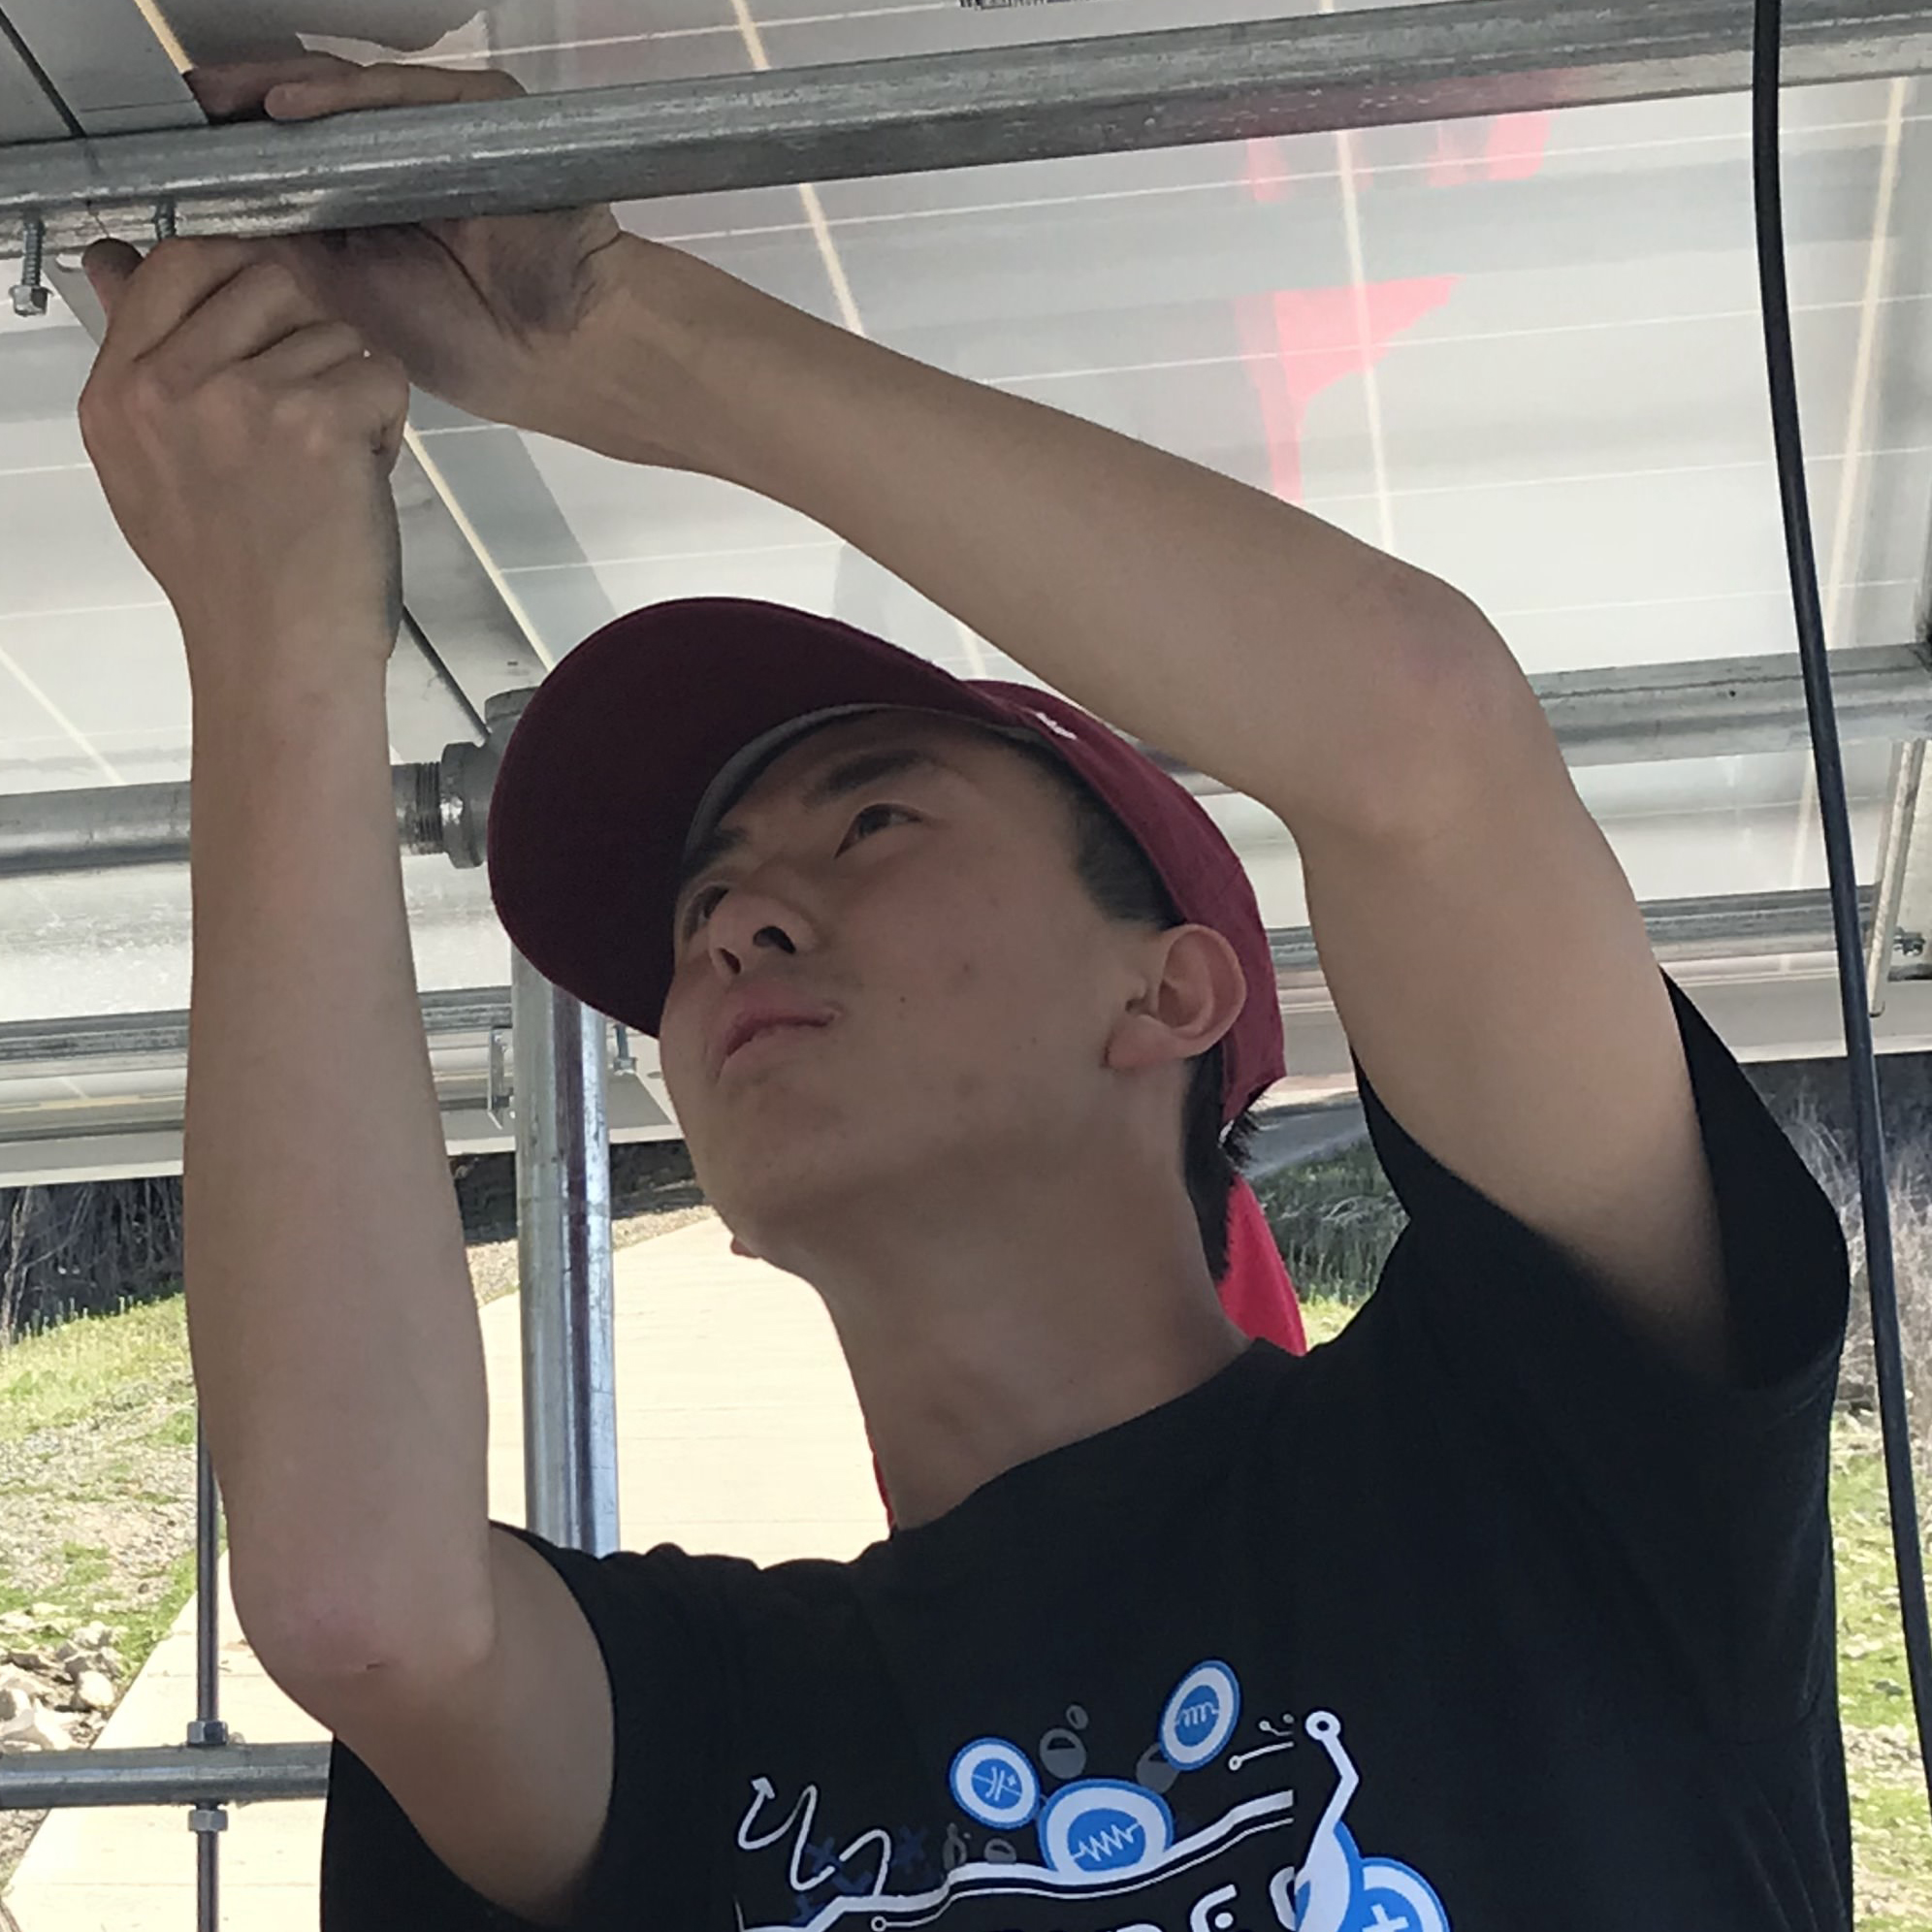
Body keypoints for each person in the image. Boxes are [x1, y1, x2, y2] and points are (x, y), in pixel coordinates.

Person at [75, 51, 1852, 1932]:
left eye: (863, 825)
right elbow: (383, 1596)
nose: (738, 923)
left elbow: (1420, 740)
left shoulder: (1543, 1471)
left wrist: (607, 325)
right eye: (725, 892)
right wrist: (276, 628)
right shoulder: (723, 1727)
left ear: (1171, 991)